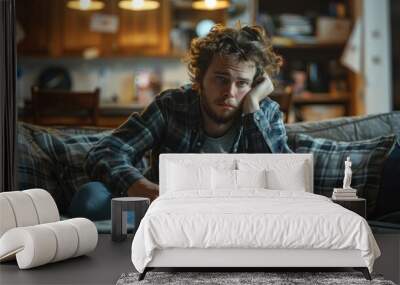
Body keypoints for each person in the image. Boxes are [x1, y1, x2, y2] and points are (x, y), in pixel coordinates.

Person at [84, 24, 292, 202]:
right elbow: (107, 152)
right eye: (221, 79)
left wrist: (252, 104)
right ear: (200, 79)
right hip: (171, 214)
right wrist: (144, 188)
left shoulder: (265, 112)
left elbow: (280, 180)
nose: (230, 92)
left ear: (254, 84)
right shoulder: (172, 106)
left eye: (242, 83)